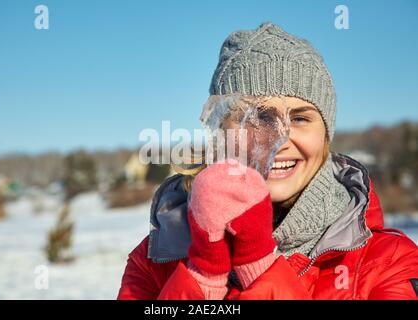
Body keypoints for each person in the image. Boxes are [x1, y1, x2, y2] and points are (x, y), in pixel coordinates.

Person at [117, 22, 418, 300]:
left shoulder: (388, 261)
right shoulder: (154, 260)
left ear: (325, 135)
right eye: (257, 117)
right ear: (220, 131)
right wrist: (204, 276)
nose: (280, 139)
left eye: (299, 118)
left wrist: (258, 262)